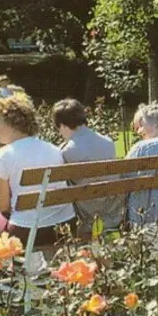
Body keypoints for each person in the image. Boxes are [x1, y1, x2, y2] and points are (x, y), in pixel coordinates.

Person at [0, 95, 73, 246]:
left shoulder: (2, 156)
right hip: (64, 226)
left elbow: (3, 207)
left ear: (12, 125)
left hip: (25, 232)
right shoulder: (54, 150)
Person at [53, 98, 120, 231]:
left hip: (86, 215)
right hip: (113, 211)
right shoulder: (108, 142)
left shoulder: (65, 151)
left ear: (63, 126)